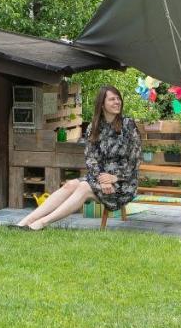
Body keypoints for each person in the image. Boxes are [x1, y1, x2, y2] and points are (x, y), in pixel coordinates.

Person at [15, 85, 140, 231]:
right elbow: (90, 158)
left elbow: (135, 160)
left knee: (84, 187)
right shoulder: (93, 127)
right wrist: (102, 179)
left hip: (124, 184)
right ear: (102, 104)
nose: (117, 102)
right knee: (70, 185)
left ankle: (42, 223)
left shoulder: (128, 125)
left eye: (118, 98)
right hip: (100, 179)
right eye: (112, 99)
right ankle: (25, 221)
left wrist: (114, 178)